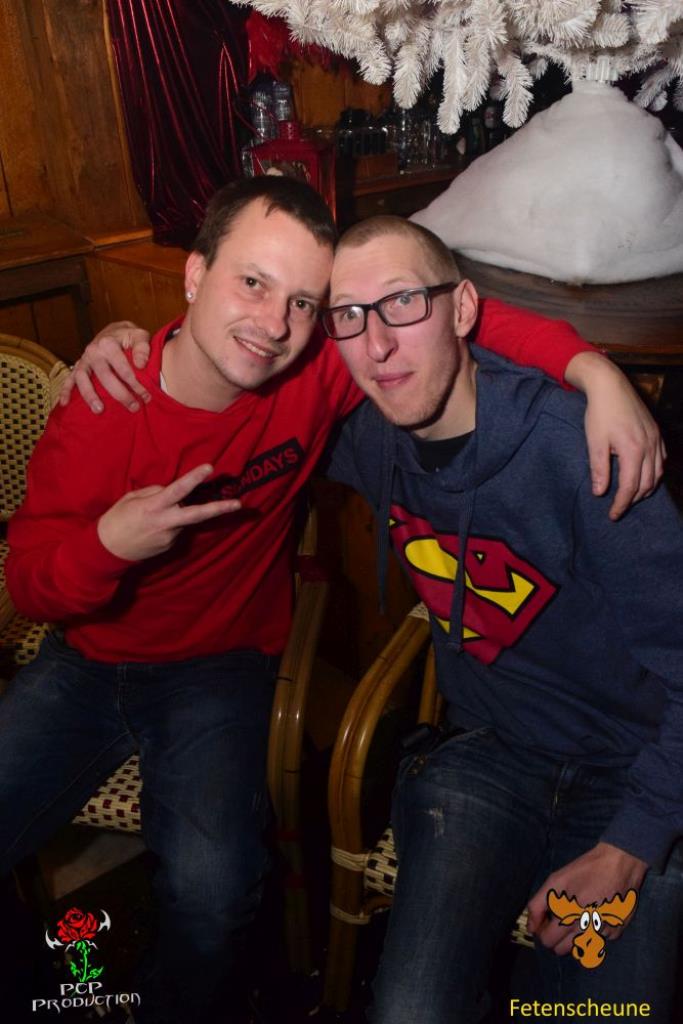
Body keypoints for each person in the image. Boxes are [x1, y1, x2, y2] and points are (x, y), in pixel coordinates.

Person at [2, 177, 665, 1023]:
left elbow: (445, 315)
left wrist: (592, 370)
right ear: (195, 275)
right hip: (85, 662)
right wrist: (110, 545)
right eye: (252, 282)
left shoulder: (321, 373)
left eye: (304, 304)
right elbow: (29, 584)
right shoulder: (107, 401)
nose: (274, 325)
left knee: (212, 891)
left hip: (219, 667)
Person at [320, 216, 683, 1023]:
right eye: (348, 315)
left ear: (461, 310)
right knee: (410, 1010)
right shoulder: (364, 436)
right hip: (488, 760)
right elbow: (234, 382)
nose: (376, 345)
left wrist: (630, 844)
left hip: (630, 772)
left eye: (402, 303)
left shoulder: (582, 451)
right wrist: (142, 348)